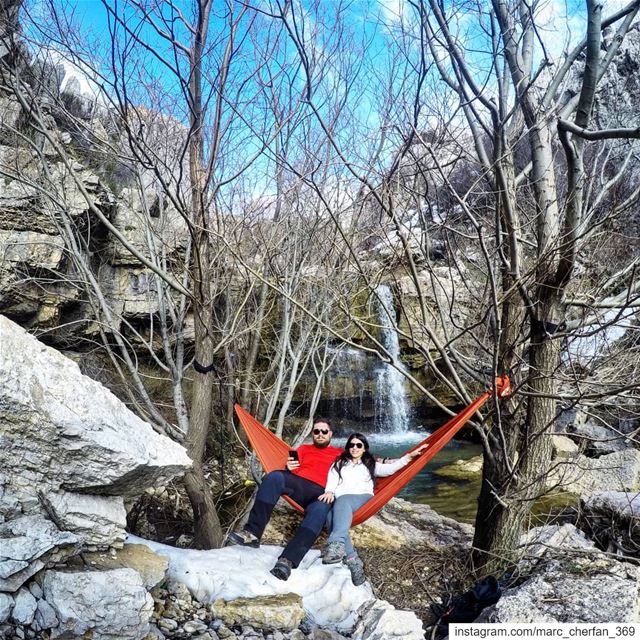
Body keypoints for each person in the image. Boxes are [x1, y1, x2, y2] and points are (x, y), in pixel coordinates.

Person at [228, 418, 342, 581]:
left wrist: (385, 462)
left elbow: (362, 462)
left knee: (321, 511)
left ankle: (287, 561)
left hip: (323, 493)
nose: (320, 434)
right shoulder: (303, 449)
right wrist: (289, 467)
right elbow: (290, 467)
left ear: (330, 434)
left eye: (324, 431)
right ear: (313, 434)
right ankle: (252, 533)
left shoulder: (339, 454)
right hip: (300, 485)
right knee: (274, 477)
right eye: (317, 431)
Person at [318, 432, 428, 585]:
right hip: (342, 501)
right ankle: (353, 562)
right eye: (351, 445)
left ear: (364, 448)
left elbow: (390, 470)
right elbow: (332, 479)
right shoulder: (339, 463)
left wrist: (409, 457)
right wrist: (329, 491)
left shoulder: (369, 464)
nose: (354, 448)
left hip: (363, 498)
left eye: (358, 445)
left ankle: (336, 546)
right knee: (329, 518)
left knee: (342, 502)